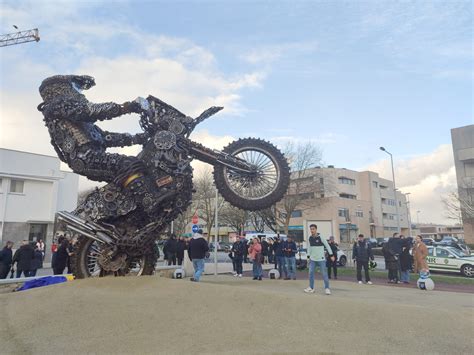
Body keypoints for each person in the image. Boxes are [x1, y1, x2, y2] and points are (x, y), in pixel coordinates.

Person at [304, 224, 334, 295]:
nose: (312, 230)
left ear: (316, 229)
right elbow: (309, 248)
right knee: (310, 273)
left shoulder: (321, 237)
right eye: (311, 229)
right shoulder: (310, 238)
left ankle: (327, 288)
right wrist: (308, 257)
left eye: (313, 229)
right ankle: (311, 288)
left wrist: (331, 255)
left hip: (321, 259)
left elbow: (327, 245)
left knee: (324, 274)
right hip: (312, 259)